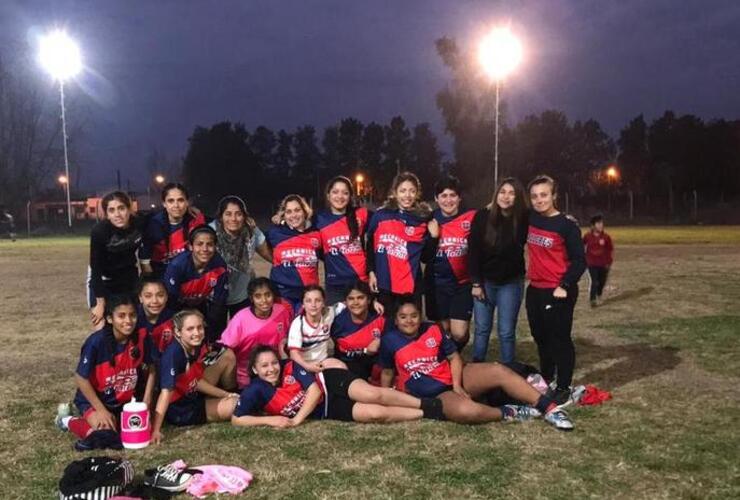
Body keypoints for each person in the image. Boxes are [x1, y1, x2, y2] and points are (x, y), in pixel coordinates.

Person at [379, 298, 574, 430]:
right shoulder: (389, 340)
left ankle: (550, 408)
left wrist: (456, 384)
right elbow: (387, 372)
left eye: (414, 315)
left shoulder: (432, 329)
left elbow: (454, 357)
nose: (409, 321)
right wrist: (384, 397)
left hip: (456, 378)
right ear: (395, 321)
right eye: (403, 317)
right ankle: (511, 411)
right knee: (467, 411)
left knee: (498, 370)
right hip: (434, 393)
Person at [231, 345, 444, 427]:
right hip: (325, 409)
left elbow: (314, 392)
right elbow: (237, 418)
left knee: (372, 394)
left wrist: (295, 420)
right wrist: (270, 420)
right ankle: (424, 413)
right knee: (375, 414)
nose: (272, 369)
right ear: (255, 370)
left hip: (329, 382)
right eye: (265, 366)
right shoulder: (255, 389)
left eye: (274, 363)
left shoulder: (290, 366)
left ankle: (427, 404)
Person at [56, 295, 156, 445]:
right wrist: (101, 410)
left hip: (126, 400)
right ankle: (66, 420)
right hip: (98, 400)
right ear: (110, 319)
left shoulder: (141, 337)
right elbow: (80, 377)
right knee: (103, 436)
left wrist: (147, 400)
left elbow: (152, 368)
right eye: (121, 316)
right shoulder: (96, 342)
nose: (128, 321)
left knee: (137, 431)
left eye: (132, 315)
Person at [526, 175, 586, 406]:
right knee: (540, 337)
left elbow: (579, 261)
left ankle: (563, 386)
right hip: (535, 289)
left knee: (559, 339)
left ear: (554, 196)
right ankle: (547, 378)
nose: (539, 200)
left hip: (558, 290)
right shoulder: (531, 218)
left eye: (544, 195)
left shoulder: (567, 225)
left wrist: (565, 285)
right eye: (534, 196)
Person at [151, 310, 238, 444]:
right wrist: (156, 430)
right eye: (190, 329)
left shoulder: (195, 345)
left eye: (199, 327)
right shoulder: (174, 353)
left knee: (228, 357)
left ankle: (230, 395)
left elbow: (196, 380)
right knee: (237, 405)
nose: (196, 333)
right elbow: (165, 392)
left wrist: (226, 394)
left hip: (192, 391)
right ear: (178, 333)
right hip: (181, 409)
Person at [468, 178, 529, 363]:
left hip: (511, 283)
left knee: (506, 331)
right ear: (496, 194)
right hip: (485, 282)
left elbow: (545, 217)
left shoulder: (524, 218)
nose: (506, 197)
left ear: (518, 197)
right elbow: (473, 252)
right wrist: (476, 283)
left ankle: (508, 371)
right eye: (503, 192)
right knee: (482, 329)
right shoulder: (482, 216)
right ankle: (477, 369)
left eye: (512, 193)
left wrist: (566, 218)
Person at [367, 172, 433, 312]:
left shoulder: (422, 219)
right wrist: (371, 272)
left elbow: (426, 257)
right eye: (403, 191)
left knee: (411, 329)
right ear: (395, 193)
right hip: (384, 283)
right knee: (385, 329)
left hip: (411, 286)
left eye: (412, 191)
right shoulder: (380, 216)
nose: (407, 195)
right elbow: (370, 246)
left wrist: (434, 237)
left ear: (417, 193)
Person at [425, 176, 476, 350]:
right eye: (443, 195)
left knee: (459, 333)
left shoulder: (470, 218)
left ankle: (455, 355)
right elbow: (425, 257)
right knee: (444, 330)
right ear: (436, 199)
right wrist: (433, 237)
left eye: (452, 195)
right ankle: (451, 362)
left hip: (462, 285)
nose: (448, 200)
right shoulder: (429, 220)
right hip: (437, 285)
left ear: (459, 198)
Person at [287, 285, 383, 372]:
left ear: (324, 302)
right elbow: (294, 354)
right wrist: (308, 366)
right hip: (304, 365)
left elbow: (352, 303)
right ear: (303, 304)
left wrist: (373, 303)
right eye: (308, 301)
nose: (313, 305)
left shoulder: (331, 312)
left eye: (318, 300)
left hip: (324, 362)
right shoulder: (298, 324)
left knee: (343, 368)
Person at [219, 278, 294, 389]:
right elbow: (226, 349)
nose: (264, 300)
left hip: (276, 371)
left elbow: (290, 337)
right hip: (246, 377)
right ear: (251, 298)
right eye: (258, 296)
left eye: (267, 295)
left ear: (273, 295)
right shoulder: (240, 319)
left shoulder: (282, 311)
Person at [87, 191, 147, 328]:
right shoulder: (100, 231)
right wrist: (100, 304)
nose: (117, 214)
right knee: (102, 327)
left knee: (131, 324)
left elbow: (165, 214)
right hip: (103, 280)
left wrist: (191, 210)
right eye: (111, 210)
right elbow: (95, 270)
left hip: (128, 279)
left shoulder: (139, 222)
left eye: (121, 208)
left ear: (129, 209)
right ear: (107, 214)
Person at [209, 196, 272, 317]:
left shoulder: (252, 232)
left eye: (238, 214)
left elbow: (271, 256)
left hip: (242, 295)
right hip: (214, 295)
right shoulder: (211, 231)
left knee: (242, 334)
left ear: (244, 216)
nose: (233, 219)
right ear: (221, 217)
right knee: (215, 335)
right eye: (228, 214)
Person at [164, 226, 228, 343]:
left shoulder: (220, 266)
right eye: (199, 244)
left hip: (200, 304)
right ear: (190, 246)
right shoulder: (177, 266)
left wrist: (212, 336)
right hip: (177, 306)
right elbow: (170, 301)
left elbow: (219, 302)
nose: (205, 249)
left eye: (209, 244)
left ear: (215, 247)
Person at [315, 176, 371, 305]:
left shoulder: (361, 214)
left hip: (360, 282)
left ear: (350, 196)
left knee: (362, 324)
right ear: (328, 195)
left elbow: (384, 221)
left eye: (345, 193)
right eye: (335, 192)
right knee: (336, 323)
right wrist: (281, 219)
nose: (340, 196)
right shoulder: (318, 219)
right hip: (335, 285)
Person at [265, 194, 321, 313]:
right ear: (283, 215)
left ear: (305, 211)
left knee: (304, 330)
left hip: (308, 294)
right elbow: (257, 242)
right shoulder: (274, 233)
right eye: (289, 212)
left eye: (297, 210)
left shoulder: (316, 233)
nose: (293, 215)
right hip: (282, 293)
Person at [140, 183, 207, 277]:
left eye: (180, 200)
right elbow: (145, 264)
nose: (176, 205)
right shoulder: (153, 225)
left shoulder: (196, 221)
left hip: (188, 275)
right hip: (161, 276)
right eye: (171, 201)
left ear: (187, 202)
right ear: (164, 203)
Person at [330, 281, 386, 382]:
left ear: (368, 300)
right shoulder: (336, 322)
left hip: (377, 367)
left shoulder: (379, 318)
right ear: (345, 302)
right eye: (351, 299)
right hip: (349, 367)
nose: (355, 302)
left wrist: (381, 340)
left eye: (360, 298)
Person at [136, 276, 175, 359]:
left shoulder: (173, 319)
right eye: (148, 296)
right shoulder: (132, 318)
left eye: (160, 295)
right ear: (140, 298)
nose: (154, 301)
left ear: (166, 297)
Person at [583, 214, 614, 307]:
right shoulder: (587, 236)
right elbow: (581, 244)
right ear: (593, 225)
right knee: (594, 281)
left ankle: (599, 293)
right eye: (598, 223)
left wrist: (609, 262)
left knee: (602, 281)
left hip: (603, 263)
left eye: (601, 223)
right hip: (591, 263)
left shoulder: (606, 237)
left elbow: (610, 249)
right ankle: (592, 300)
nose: (601, 225)